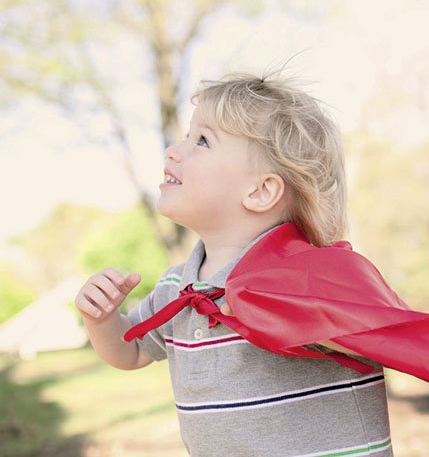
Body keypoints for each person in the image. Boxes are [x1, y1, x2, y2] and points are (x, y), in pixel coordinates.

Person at [74, 72, 393, 456]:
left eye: (203, 141)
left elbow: (383, 339)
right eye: (186, 136)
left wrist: (308, 322)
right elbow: (132, 352)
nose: (173, 150)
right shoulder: (176, 288)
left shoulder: (314, 278)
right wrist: (103, 320)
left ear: (260, 191)